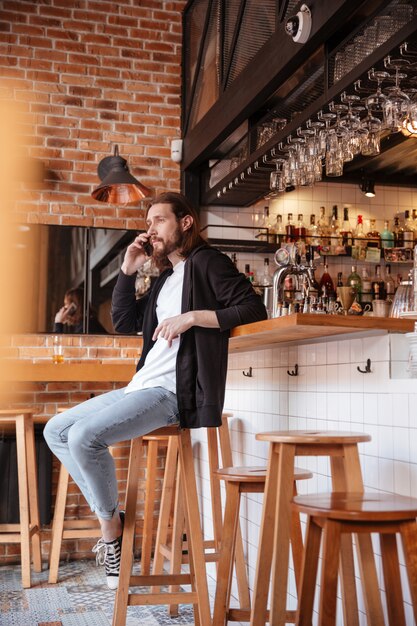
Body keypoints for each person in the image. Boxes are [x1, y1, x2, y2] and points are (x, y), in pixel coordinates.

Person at [44, 192, 267, 589]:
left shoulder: (208, 262)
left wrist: (193, 317)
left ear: (185, 223)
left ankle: (111, 537)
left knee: (83, 436)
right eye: (149, 224)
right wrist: (128, 270)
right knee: (55, 431)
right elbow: (125, 320)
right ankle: (113, 522)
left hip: (170, 395)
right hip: (140, 386)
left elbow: (253, 309)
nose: (151, 231)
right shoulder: (166, 277)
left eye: (159, 221)